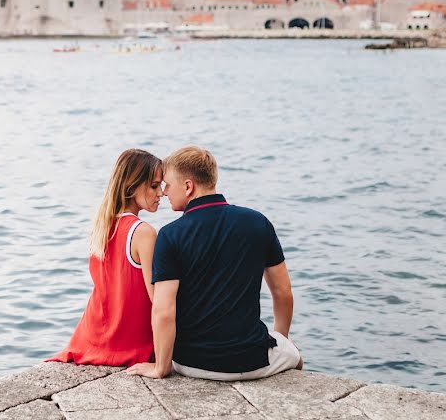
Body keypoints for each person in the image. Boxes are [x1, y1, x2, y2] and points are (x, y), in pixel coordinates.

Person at [127, 145, 302, 380]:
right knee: (296, 357)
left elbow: (164, 310)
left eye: (168, 184)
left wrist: (161, 367)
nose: (165, 192)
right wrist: (281, 339)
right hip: (253, 360)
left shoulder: (170, 235)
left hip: (191, 363)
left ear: (188, 186)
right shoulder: (258, 222)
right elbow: (283, 292)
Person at [48, 149, 163, 366]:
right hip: (128, 344)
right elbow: (157, 299)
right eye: (154, 186)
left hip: (91, 338)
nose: (162, 193)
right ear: (132, 186)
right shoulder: (143, 232)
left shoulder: (102, 225)